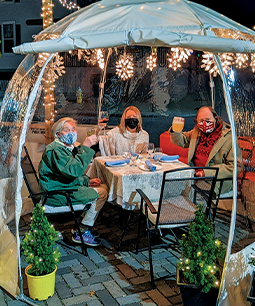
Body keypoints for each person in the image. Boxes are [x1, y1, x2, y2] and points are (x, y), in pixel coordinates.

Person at [38, 117, 108, 247]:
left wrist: (86, 181)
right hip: (57, 194)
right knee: (102, 193)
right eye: (67, 130)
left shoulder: (64, 147)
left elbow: (66, 174)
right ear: (58, 134)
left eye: (73, 129)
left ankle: (81, 226)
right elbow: (72, 171)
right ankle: (82, 230)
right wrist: (85, 146)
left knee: (103, 186)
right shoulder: (55, 150)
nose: (71, 132)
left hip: (63, 186)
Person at [169, 106, 242, 195]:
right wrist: (175, 130)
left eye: (208, 120)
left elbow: (235, 167)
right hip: (195, 177)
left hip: (215, 182)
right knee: (171, 189)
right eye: (201, 121)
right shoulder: (197, 132)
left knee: (189, 197)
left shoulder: (229, 138)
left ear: (215, 118)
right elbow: (183, 141)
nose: (205, 124)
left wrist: (206, 173)